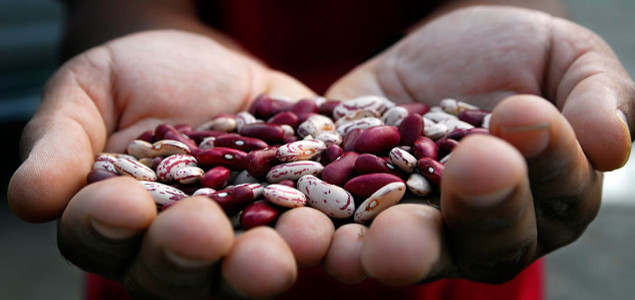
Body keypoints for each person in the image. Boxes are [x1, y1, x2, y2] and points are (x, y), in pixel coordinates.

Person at [7, 0, 634, 299]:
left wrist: (504, 18)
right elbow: (112, 11)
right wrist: (137, 43)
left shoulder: (424, 152)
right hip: (171, 254)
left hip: (461, 242)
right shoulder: (241, 156)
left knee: (486, 182)